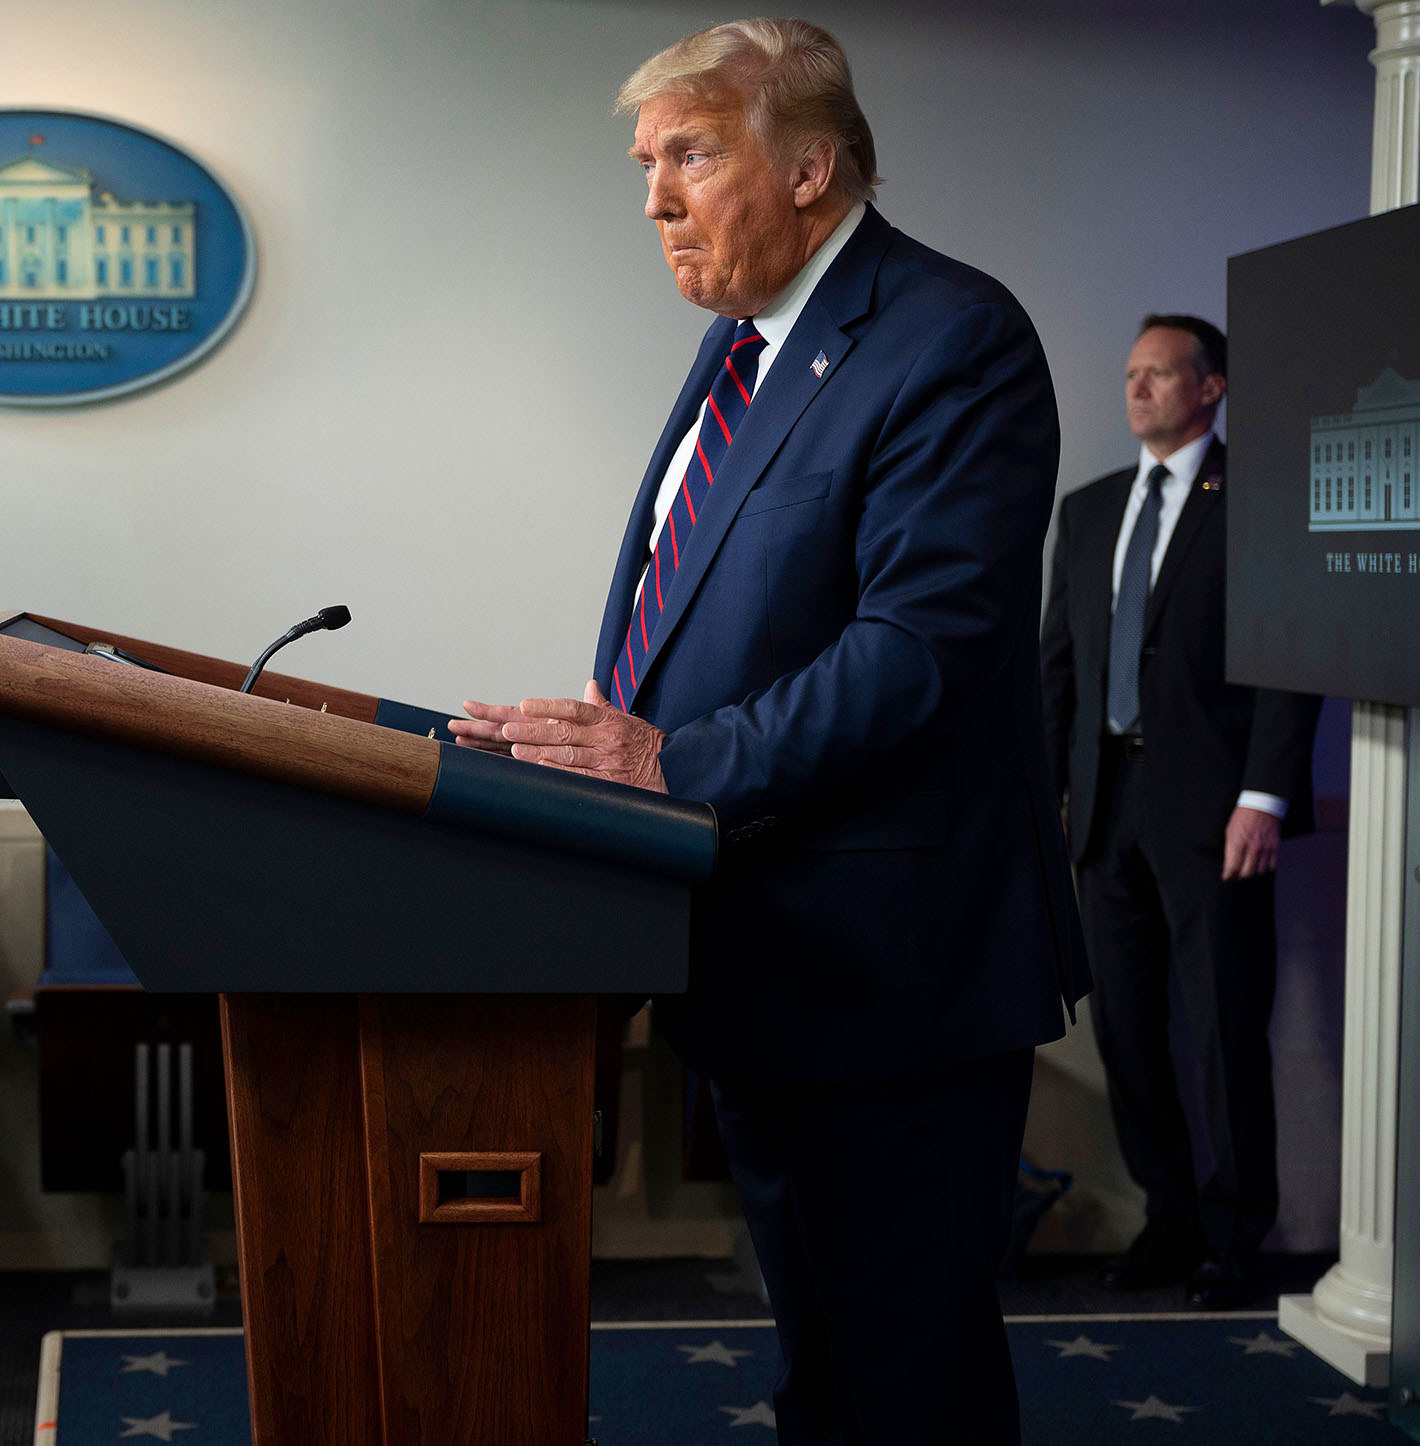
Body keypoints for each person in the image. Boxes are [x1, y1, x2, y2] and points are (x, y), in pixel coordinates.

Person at [449, 19, 1086, 1443]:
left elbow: (921, 652)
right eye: (647, 164)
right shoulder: (747, 344)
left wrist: (666, 763)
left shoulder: (949, 337)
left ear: (811, 165)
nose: (658, 197)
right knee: (825, 1370)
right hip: (763, 956)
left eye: (690, 154)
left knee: (909, 1381)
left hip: (893, 979)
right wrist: (605, 752)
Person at [1041, 317, 1319, 1309]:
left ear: (1213, 388)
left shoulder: (1260, 502)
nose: (1139, 389)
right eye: (1130, 374)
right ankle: (1170, 1221)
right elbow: (1055, 678)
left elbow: (1292, 658)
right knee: (1125, 1030)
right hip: (1104, 815)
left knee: (1222, 1033)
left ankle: (1239, 1244)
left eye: (1159, 374)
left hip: (1215, 814)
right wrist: (1047, 802)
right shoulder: (1086, 512)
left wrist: (1265, 797)